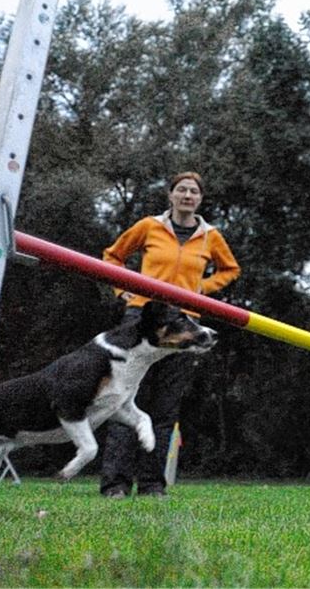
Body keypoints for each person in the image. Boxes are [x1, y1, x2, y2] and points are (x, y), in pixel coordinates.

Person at [99, 171, 240, 498]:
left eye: (193, 192)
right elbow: (113, 256)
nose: (187, 196)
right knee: (125, 399)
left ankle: (151, 485)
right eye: (181, 190)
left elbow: (230, 269)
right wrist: (123, 291)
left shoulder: (210, 237)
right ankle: (115, 485)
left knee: (164, 407)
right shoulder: (149, 226)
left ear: (200, 199)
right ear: (171, 195)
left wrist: (201, 290)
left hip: (185, 325)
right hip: (141, 318)